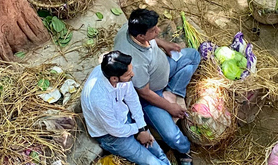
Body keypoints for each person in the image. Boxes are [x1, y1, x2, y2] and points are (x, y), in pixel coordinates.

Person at [113, 9, 201, 165]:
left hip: (162, 68)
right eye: (153, 30)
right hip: (150, 94)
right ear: (141, 36)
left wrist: (163, 44)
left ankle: (173, 90)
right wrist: (169, 107)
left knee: (194, 56)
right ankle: (183, 151)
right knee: (172, 136)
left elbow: (151, 39)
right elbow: (145, 92)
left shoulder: (130, 27)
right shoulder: (136, 63)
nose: (158, 31)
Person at [81, 51, 170, 165]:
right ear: (114, 79)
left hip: (124, 118)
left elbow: (133, 100)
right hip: (111, 135)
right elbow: (114, 129)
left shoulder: (120, 75)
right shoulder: (99, 98)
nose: (132, 74)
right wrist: (138, 130)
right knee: (153, 163)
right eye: (128, 74)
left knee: (158, 152)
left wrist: (142, 128)